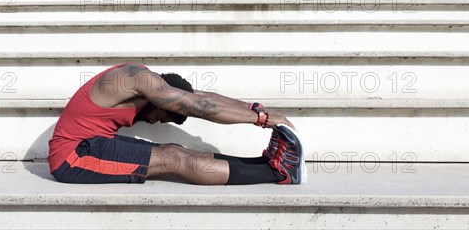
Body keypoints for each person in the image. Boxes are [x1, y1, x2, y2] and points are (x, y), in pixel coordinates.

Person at [48, 62, 306, 185]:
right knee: (172, 157)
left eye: (159, 118)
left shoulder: (146, 82)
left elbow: (201, 98)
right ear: (162, 100)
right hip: (72, 157)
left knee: (177, 151)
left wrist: (256, 109)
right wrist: (262, 120)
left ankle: (263, 164)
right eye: (160, 116)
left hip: (92, 145)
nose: (151, 122)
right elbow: (199, 107)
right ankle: (278, 172)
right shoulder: (136, 79)